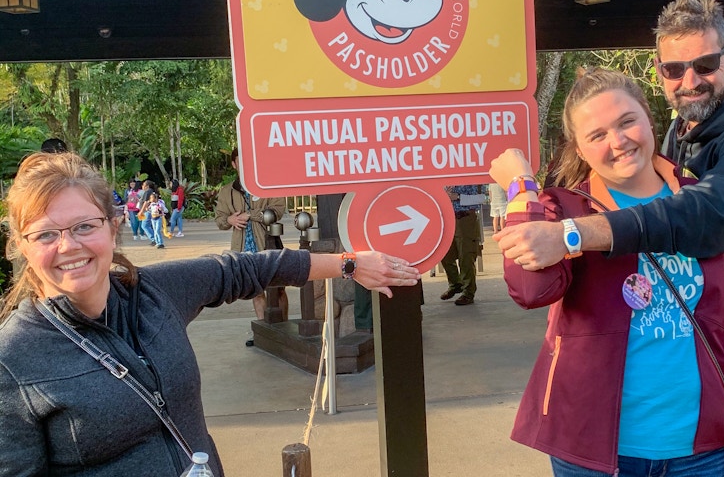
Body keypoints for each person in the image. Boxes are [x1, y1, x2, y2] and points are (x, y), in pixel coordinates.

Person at [494, 0, 724, 477]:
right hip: (594, 450)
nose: (690, 80)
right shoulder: (564, 205)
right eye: (675, 69)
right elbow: (530, 289)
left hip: (709, 439)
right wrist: (522, 189)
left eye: (704, 63)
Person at [0, 151, 419, 476]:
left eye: (84, 226)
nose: (69, 246)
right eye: (46, 234)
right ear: (20, 246)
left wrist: (350, 264)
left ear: (113, 226)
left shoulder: (154, 293)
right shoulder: (13, 359)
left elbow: (250, 268)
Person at [215, 147, 288, 345]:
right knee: (255, 292)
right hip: (243, 248)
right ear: (234, 164)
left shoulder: (268, 185)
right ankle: (264, 335)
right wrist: (230, 219)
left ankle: (284, 330)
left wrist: (251, 216)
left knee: (278, 289)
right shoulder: (226, 191)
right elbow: (220, 220)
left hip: (269, 243)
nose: (244, 165)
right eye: (239, 161)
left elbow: (278, 211)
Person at [439, 184, 484, 306]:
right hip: (445, 218)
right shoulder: (442, 174)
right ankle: (455, 284)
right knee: (444, 254)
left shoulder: (470, 174)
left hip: (465, 217)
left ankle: (468, 292)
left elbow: (481, 198)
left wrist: (457, 197)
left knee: (466, 255)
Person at [137, 180, 158, 244]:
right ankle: (154, 239)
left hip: (147, 211)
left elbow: (146, 202)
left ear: (147, 186)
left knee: (145, 225)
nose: (142, 186)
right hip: (148, 210)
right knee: (147, 225)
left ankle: (154, 239)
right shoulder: (150, 191)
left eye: (143, 185)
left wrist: (141, 211)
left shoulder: (148, 191)